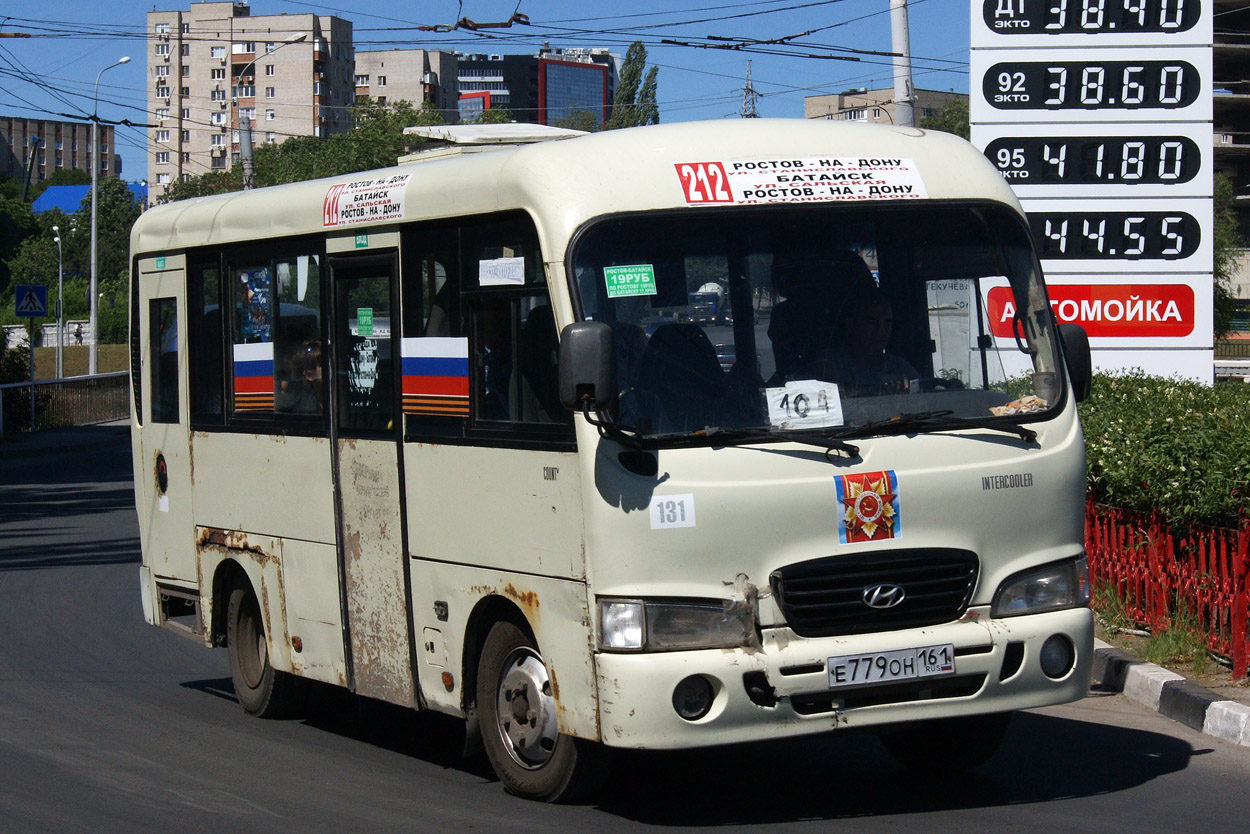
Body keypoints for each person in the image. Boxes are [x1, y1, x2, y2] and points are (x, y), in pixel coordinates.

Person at [807, 287, 918, 394]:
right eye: (871, 323)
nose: (881, 332)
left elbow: (925, 391)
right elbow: (830, 398)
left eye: (887, 323)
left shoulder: (900, 368)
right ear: (850, 325)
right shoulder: (830, 364)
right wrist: (877, 390)